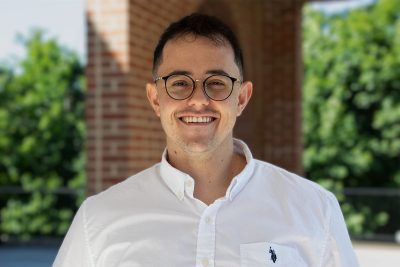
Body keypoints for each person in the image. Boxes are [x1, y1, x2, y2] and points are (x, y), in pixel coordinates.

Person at [53, 13, 359, 267]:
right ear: (155, 98)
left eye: (216, 83)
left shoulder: (316, 210)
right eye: (180, 83)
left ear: (242, 97)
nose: (198, 100)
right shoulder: (98, 220)